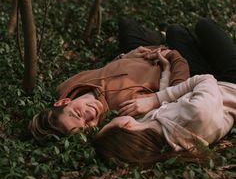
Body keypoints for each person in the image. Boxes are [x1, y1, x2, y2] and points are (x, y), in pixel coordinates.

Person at [92, 18, 236, 166]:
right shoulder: (196, 113)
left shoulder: (154, 131)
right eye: (107, 126)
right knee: (204, 26)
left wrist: (166, 68)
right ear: (126, 126)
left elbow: (168, 105)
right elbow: (206, 79)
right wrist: (154, 99)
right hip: (230, 84)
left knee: (175, 32)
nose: (109, 120)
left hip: (206, 90)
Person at [29, 43, 189, 141]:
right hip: (172, 58)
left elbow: (104, 72)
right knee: (190, 30)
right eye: (88, 126)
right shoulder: (125, 108)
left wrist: (123, 57)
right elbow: (178, 93)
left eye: (78, 114)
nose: (91, 117)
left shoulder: (66, 87)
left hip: (140, 53)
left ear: (63, 102)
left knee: (126, 26)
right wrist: (171, 57)